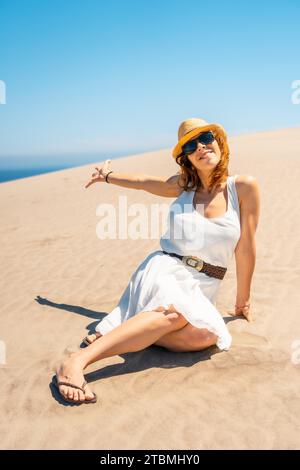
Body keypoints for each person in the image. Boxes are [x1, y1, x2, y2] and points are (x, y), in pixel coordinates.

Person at [52, 117, 260, 404]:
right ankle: (77, 361)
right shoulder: (183, 186)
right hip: (167, 269)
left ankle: (125, 328)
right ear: (187, 158)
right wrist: (108, 177)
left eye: (206, 138)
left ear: (219, 142)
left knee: (205, 337)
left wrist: (243, 301)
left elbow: (246, 247)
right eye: (190, 145)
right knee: (175, 314)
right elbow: (143, 182)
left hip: (204, 285)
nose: (200, 146)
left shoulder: (243, 188)